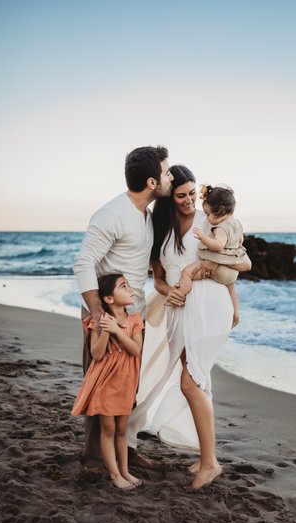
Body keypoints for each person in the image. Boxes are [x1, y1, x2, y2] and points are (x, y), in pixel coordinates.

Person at [126, 165, 251, 490]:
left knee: (191, 382)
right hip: (178, 311)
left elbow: (240, 262)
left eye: (193, 194)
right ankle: (203, 454)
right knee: (194, 380)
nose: (189, 201)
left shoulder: (209, 221)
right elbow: (159, 280)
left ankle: (210, 463)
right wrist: (173, 291)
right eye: (181, 196)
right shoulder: (160, 228)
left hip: (209, 307)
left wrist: (231, 298)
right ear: (168, 198)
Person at [73, 145, 173, 469]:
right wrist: (100, 316)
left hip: (132, 316)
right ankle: (93, 460)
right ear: (152, 182)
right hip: (106, 314)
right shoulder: (112, 214)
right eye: (166, 172)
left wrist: (158, 277)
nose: (169, 176)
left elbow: (135, 260)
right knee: (99, 385)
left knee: (127, 385)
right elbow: (84, 263)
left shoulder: (144, 216)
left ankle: (123, 450)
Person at [71, 274, 144, 490]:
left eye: (129, 285)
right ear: (109, 299)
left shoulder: (135, 320)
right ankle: (114, 474)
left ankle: (124, 471)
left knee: (122, 429)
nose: (131, 290)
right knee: (108, 429)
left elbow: (135, 350)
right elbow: (97, 354)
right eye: (124, 287)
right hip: (105, 382)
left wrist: (117, 331)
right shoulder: (97, 321)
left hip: (126, 381)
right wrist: (105, 330)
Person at [172, 184, 251, 326]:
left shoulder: (221, 227)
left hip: (217, 269)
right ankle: (235, 314)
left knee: (187, 273)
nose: (207, 219)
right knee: (232, 291)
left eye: (208, 214)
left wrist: (204, 237)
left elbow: (218, 245)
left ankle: (179, 296)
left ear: (220, 210)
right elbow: (240, 242)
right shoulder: (237, 224)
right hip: (231, 273)